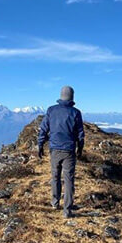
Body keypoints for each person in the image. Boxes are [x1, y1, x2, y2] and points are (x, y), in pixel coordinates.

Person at [37, 86, 85, 218]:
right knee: (69, 180)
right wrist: (80, 148)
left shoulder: (51, 110)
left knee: (55, 176)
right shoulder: (76, 113)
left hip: (54, 149)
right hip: (69, 150)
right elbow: (80, 134)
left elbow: (43, 129)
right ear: (72, 96)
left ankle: (54, 202)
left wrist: (40, 145)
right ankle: (67, 211)